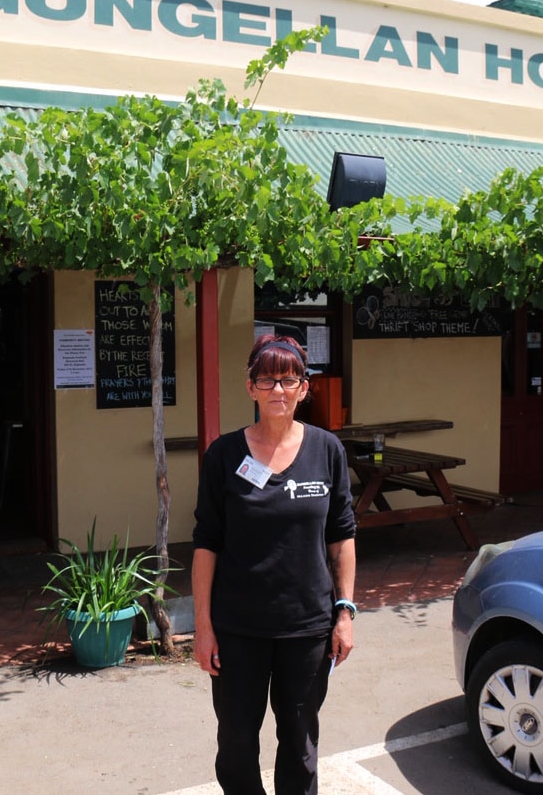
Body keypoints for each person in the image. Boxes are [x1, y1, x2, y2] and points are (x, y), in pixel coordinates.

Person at [191, 334, 357, 795]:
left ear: (305, 388)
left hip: (307, 626)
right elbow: (207, 542)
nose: (278, 390)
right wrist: (203, 626)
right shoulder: (224, 455)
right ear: (251, 388)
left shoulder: (327, 450)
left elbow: (342, 535)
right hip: (237, 628)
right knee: (237, 743)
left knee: (300, 744)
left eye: (289, 380)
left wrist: (344, 613)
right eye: (267, 380)